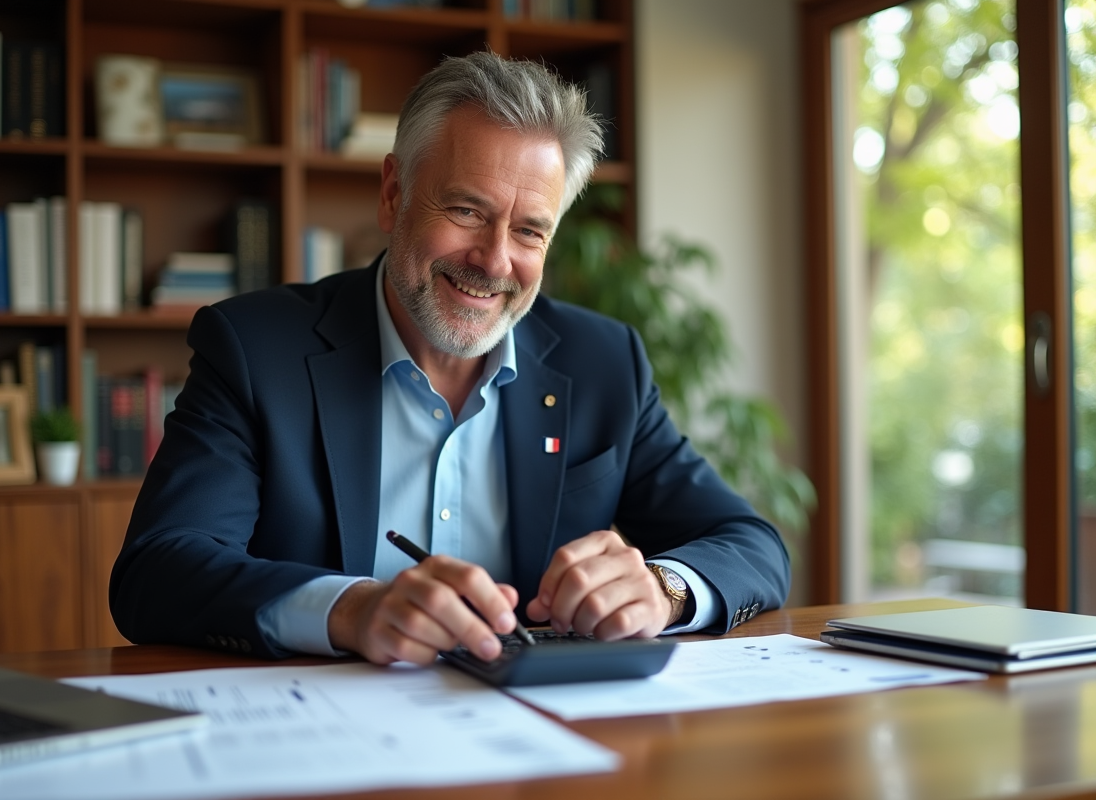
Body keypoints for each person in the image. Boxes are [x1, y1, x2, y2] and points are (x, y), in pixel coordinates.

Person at [110, 51, 790, 666]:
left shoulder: (604, 360)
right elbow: (158, 572)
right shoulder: (255, 348)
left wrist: (663, 589)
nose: (495, 261)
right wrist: (351, 609)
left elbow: (749, 544)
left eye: (529, 230)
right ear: (392, 194)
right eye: (467, 211)